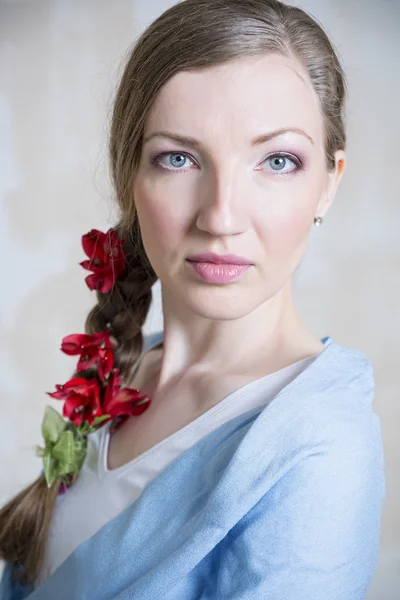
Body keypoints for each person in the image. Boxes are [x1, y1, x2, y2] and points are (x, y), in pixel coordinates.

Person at [0, 0, 385, 598]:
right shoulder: (128, 366)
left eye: (277, 160)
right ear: (130, 174)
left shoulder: (320, 452)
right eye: (178, 158)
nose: (221, 216)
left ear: (328, 183)